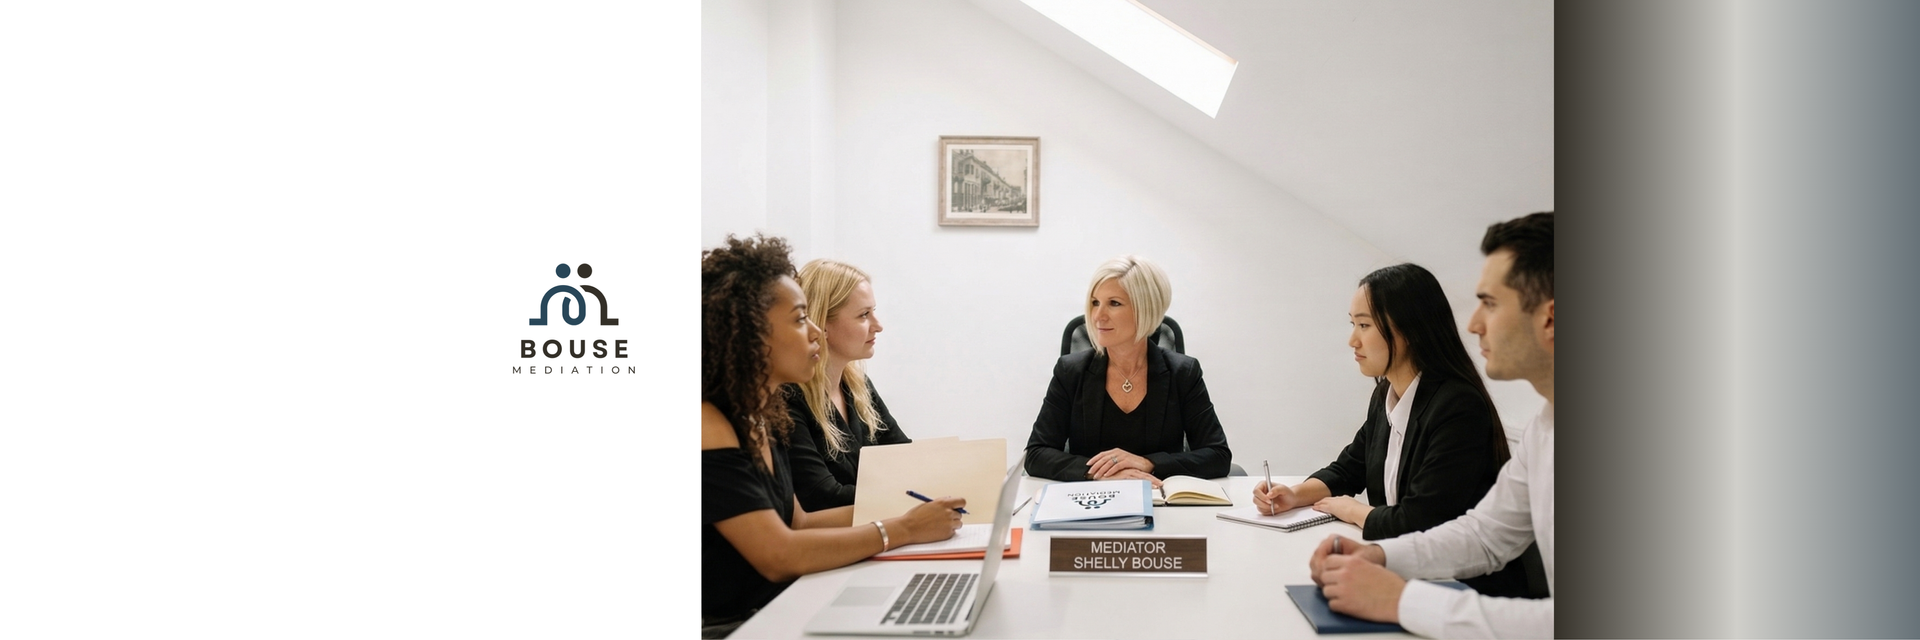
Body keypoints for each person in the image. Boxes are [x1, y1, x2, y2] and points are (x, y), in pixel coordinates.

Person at [700, 235, 965, 638]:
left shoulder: (762, 415)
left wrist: (925, 508)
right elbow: (779, 555)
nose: (815, 333)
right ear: (750, 334)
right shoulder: (707, 425)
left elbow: (801, 523)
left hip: (784, 603)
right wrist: (903, 529)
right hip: (734, 626)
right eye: (800, 319)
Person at [1310, 212, 1555, 638]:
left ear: (1550, 319)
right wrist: (1380, 557)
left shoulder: (1457, 403)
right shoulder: (1546, 425)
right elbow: (1485, 536)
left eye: (1490, 304)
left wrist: (1399, 600)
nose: (1473, 324)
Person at [1252, 263, 1531, 598]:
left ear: (1408, 330)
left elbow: (1419, 521)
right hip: (1413, 574)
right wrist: (1295, 494)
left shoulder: (1458, 406)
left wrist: (1351, 509)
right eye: (1353, 324)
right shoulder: (1386, 393)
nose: (1352, 340)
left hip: (1464, 588)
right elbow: (1349, 468)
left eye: (1364, 325)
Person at [1024, 255, 1232, 484]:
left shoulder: (1183, 372)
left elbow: (1217, 455)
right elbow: (1036, 454)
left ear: (1146, 309)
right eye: (1095, 303)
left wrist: (1148, 463)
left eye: (1114, 303)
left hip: (1158, 497)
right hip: (1092, 498)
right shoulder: (1070, 371)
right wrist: (1100, 473)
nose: (1097, 316)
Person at [782, 259, 913, 511]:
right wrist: (908, 495)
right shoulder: (788, 397)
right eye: (864, 315)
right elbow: (822, 496)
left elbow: (903, 457)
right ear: (822, 324)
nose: (878, 326)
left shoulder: (857, 385)